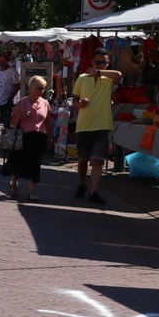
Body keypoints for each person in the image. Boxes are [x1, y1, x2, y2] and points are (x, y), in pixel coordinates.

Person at [71, 47, 122, 206]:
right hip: (84, 125)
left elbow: (119, 75)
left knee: (97, 160)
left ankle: (94, 192)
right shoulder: (82, 78)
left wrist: (100, 72)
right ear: (92, 62)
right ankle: (82, 184)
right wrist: (80, 104)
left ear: (107, 63)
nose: (100, 65)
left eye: (103, 63)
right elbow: (74, 100)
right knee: (83, 160)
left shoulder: (108, 79)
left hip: (102, 125)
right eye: (97, 62)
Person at [0, 75, 52, 201]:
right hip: (22, 137)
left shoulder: (45, 103)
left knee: (34, 165)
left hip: (38, 138)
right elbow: (13, 121)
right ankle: (14, 185)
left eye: (43, 88)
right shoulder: (22, 102)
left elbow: (47, 122)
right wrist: (21, 115)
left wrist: (50, 138)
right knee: (17, 163)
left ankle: (31, 192)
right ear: (31, 87)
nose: (41, 91)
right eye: (39, 88)